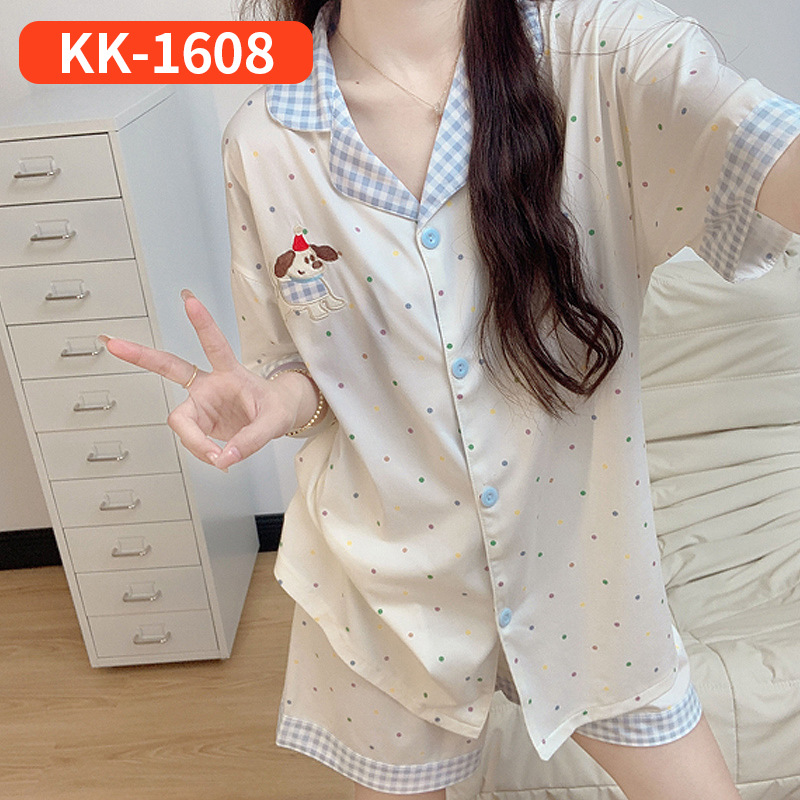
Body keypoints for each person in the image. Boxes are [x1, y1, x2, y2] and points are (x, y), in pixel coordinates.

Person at [101, 0, 800, 797]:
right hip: (387, 597)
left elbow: (763, 150)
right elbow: (300, 367)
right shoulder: (263, 141)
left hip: (587, 580)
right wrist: (276, 399)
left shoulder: (599, 59)